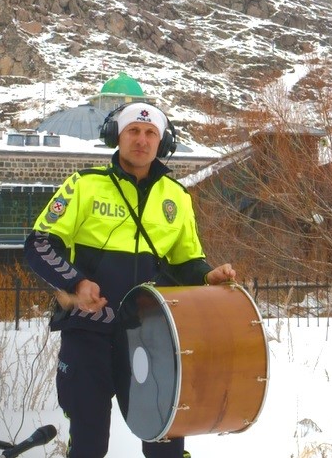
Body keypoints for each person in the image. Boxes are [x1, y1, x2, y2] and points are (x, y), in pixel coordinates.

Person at [24, 102, 236, 458]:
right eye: (133, 131)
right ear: (116, 137)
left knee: (165, 443)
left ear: (163, 142)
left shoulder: (176, 198)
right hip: (88, 335)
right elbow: (40, 243)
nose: (142, 140)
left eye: (150, 132)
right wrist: (77, 284)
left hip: (151, 336)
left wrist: (207, 274)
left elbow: (187, 261)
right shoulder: (85, 185)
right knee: (89, 445)